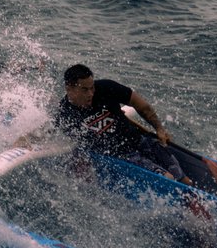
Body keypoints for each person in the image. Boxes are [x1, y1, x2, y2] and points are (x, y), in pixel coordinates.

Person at [46, 63, 187, 181]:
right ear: (69, 88)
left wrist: (159, 129)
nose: (91, 94)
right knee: (168, 178)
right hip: (122, 159)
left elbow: (141, 105)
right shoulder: (65, 115)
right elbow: (48, 134)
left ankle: (191, 195)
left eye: (92, 88)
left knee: (183, 177)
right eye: (84, 90)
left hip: (140, 141)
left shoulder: (106, 88)